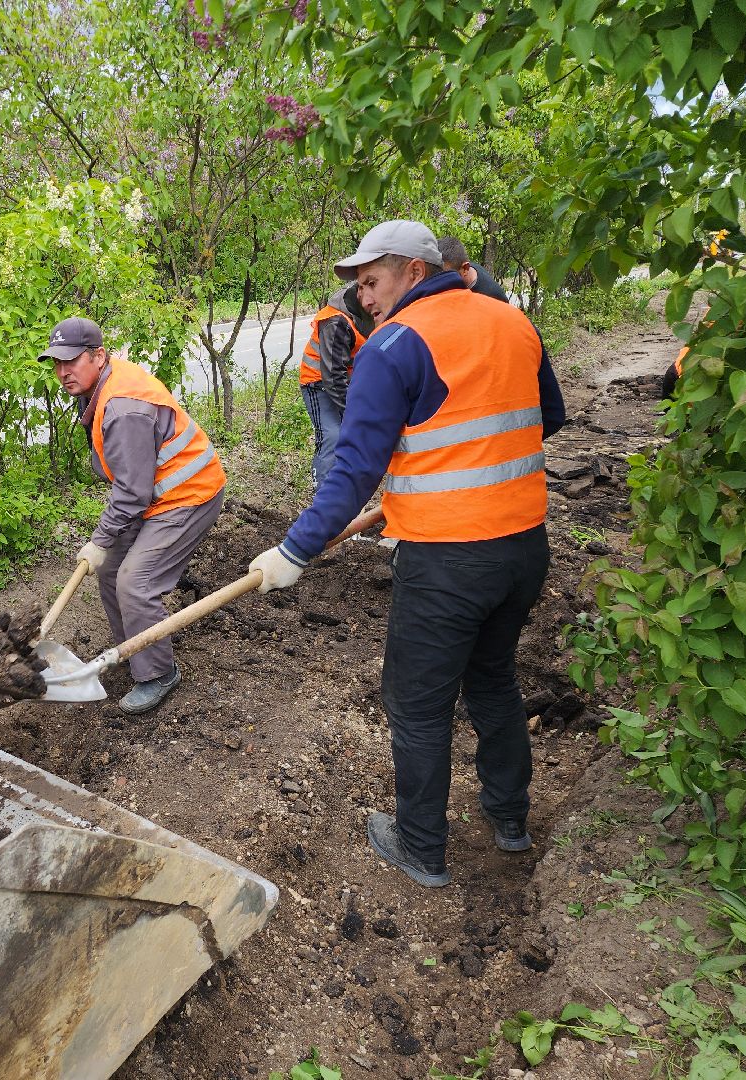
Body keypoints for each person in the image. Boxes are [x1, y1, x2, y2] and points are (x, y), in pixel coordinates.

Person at [248, 220, 566, 888]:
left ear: (414, 273)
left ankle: (421, 846)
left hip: (449, 561)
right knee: (493, 679)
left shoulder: (395, 345)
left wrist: (295, 548)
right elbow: (546, 417)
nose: (363, 297)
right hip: (524, 551)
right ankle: (509, 819)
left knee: (418, 704)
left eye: (371, 280)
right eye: (359, 286)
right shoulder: (513, 323)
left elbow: (353, 468)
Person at [41, 316, 226, 715]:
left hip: (188, 496)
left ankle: (158, 672)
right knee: (108, 570)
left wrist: (99, 540)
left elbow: (131, 493)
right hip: (154, 495)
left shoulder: (124, 408)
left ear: (98, 356)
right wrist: (103, 548)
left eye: (71, 361)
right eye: (57, 363)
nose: (62, 372)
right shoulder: (102, 383)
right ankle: (135, 647)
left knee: (134, 581)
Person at [299, 284, 374, 486]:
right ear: (360, 292)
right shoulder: (335, 322)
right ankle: (322, 493)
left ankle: (348, 486)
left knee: (355, 433)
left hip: (348, 381)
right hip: (318, 382)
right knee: (332, 435)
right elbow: (333, 376)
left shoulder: (375, 308)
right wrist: (352, 412)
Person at [436, 236, 511, 304]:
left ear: (465, 269)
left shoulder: (492, 297)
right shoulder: (457, 264)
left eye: (446, 276)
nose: (440, 282)